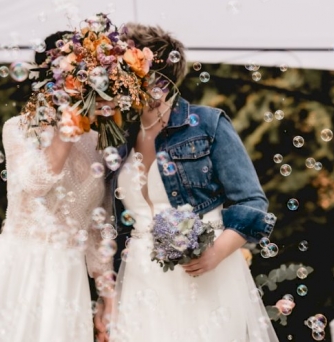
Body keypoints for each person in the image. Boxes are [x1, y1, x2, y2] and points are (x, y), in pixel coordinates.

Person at [96, 24, 280, 342]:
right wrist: (107, 296)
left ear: (159, 79)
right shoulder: (119, 138)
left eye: (125, 72)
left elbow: (252, 202)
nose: (117, 83)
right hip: (142, 278)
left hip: (207, 277)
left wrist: (216, 253)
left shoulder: (208, 124)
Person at [0, 31, 113, 342]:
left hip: (68, 274)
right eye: (75, 76)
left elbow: (99, 226)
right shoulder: (18, 129)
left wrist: (107, 296)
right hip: (21, 266)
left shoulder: (98, 141)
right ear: (52, 80)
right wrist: (66, 132)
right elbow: (35, 183)